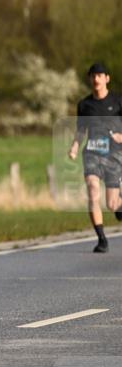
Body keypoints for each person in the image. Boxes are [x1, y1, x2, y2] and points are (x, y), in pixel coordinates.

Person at [68, 62, 122, 253]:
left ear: (107, 78)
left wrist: (120, 137)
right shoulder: (84, 105)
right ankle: (101, 239)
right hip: (91, 152)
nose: (96, 79)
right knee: (92, 189)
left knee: (112, 203)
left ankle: (119, 205)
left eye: (100, 75)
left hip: (114, 154)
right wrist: (75, 147)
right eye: (93, 75)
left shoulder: (118, 102)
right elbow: (81, 130)